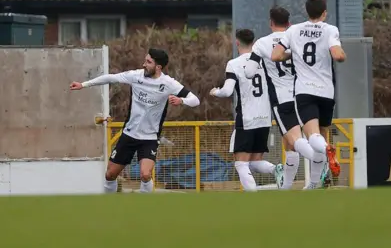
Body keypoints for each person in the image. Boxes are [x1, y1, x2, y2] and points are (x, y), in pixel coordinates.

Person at [70, 48, 200, 193]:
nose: (144, 64)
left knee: (145, 174)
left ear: (158, 67)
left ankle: (144, 206)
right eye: (145, 60)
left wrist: (181, 100)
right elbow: (110, 78)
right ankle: (108, 204)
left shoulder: (168, 83)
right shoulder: (135, 76)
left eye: (148, 62)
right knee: (110, 174)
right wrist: (84, 84)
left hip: (149, 138)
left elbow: (195, 100)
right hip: (129, 135)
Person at [245, 6, 326, 189]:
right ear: (289, 23)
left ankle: (321, 159)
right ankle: (289, 187)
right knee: (290, 146)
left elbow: (250, 73)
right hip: (304, 94)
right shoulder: (296, 37)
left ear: (271, 23)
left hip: (282, 99)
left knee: (295, 140)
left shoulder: (262, 43)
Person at [272, 0, 346, 189]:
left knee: (312, 136)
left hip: (304, 91)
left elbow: (276, 55)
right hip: (326, 92)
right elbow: (338, 55)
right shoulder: (330, 29)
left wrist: (293, 53)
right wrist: (341, 54)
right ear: (324, 13)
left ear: (306, 11)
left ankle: (327, 150)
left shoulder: (294, 30)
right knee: (321, 133)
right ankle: (313, 184)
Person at [210, 29, 284, 191]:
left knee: (241, 163)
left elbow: (228, 91)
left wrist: (216, 92)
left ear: (237, 42)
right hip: (265, 118)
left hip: (247, 119)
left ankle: (252, 197)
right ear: (254, 42)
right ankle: (276, 169)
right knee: (254, 162)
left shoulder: (234, 64)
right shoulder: (264, 62)